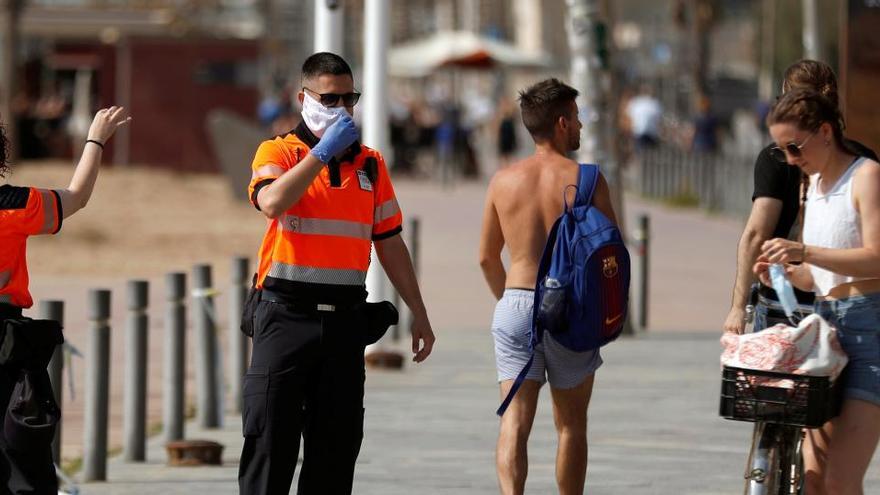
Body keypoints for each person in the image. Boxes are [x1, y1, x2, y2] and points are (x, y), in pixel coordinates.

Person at [238, 52, 435, 495]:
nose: (342, 108)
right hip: (284, 319)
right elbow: (271, 203)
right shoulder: (279, 151)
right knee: (270, 447)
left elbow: (389, 242)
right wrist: (321, 152)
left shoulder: (370, 163)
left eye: (350, 98)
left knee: (335, 454)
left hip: (344, 324)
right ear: (303, 97)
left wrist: (419, 312)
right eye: (330, 98)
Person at [478, 78, 617, 495]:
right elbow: (611, 253)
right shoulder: (588, 180)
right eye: (576, 119)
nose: (580, 127)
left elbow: (486, 257)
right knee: (571, 425)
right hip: (571, 309)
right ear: (560, 123)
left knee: (514, 421)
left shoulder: (503, 181)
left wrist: (510, 301)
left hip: (516, 303)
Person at [755, 89, 880, 495]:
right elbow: (819, 277)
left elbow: (877, 258)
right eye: (781, 151)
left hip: (869, 331)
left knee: (841, 479)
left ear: (825, 132)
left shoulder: (866, 176)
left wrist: (804, 250)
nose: (791, 160)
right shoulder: (813, 186)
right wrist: (788, 275)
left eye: (794, 147)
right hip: (825, 331)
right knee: (814, 481)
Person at [0, 106, 130, 492]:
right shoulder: (13, 204)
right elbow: (76, 197)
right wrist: (95, 140)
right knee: (20, 460)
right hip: (7, 351)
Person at [723, 59, 878, 334]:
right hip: (847, 303)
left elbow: (756, 234)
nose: (794, 159)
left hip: (787, 306)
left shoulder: (777, 158)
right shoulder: (861, 161)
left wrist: (738, 308)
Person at [625, 83, 662, 150]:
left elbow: (629, 116)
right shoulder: (652, 103)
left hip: (644, 132)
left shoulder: (636, 102)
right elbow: (658, 118)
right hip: (645, 132)